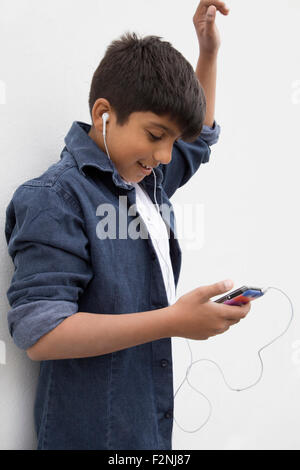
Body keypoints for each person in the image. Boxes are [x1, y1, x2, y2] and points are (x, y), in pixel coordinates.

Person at [4, 1, 251, 450]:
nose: (163, 156)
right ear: (103, 113)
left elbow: (201, 138)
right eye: (156, 136)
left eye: (172, 143)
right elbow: (42, 334)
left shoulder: (147, 177)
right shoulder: (53, 198)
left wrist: (208, 52)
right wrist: (173, 321)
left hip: (148, 430)